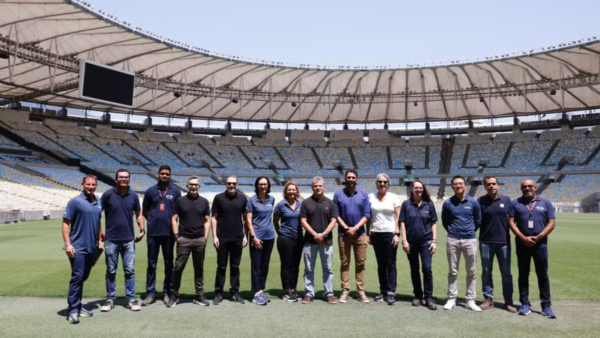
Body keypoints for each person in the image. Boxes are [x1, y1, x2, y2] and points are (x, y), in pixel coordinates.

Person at [508, 179, 556, 318]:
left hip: (540, 244)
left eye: (530, 186)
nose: (527, 188)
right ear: (521, 189)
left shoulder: (546, 203)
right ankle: (525, 304)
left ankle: (546, 306)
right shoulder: (515, 203)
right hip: (522, 244)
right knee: (523, 274)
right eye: (524, 187)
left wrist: (539, 237)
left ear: (535, 187)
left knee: (543, 275)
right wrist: (523, 238)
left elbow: (551, 223)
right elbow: (511, 223)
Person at [100, 169, 145, 312]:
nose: (124, 179)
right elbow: (96, 214)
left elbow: (139, 215)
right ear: (115, 179)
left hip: (128, 240)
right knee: (111, 270)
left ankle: (130, 299)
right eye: (121, 177)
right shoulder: (107, 195)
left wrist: (142, 229)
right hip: (111, 240)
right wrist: (100, 233)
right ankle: (110, 299)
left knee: (129, 270)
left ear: (129, 179)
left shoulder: (134, 196)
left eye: (126, 177)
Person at [62, 175, 103, 324]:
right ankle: (73, 310)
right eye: (88, 184)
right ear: (82, 184)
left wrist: (99, 238)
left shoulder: (98, 202)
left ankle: (78, 305)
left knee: (83, 277)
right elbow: (66, 223)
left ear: (96, 186)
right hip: (77, 247)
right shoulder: (75, 202)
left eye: (93, 185)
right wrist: (68, 244)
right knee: (77, 278)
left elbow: (98, 221)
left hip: (92, 248)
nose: (91, 187)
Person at [166, 176, 211, 307]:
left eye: (195, 185)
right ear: (187, 186)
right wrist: (176, 236)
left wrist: (205, 238)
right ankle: (174, 295)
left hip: (199, 239)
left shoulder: (204, 202)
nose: (193, 187)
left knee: (199, 268)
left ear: (199, 186)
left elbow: (207, 221)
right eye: (191, 184)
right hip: (184, 239)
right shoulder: (180, 201)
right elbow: (174, 219)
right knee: (178, 268)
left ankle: (199, 295)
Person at [142, 165, 181, 306]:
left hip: (169, 234)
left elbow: (177, 212)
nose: (165, 176)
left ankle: (167, 292)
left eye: (167, 174)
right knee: (151, 264)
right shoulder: (150, 191)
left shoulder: (176, 191)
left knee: (169, 264)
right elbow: (145, 210)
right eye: (162, 174)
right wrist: (152, 220)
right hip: (153, 233)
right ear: (158, 174)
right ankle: (151, 293)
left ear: (170, 176)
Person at [441, 175, 482, 311]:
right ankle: (452, 298)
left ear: (465, 185)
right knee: (453, 271)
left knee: (471, 271)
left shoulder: (473, 202)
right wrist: (454, 231)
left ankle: (470, 300)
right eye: (455, 184)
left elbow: (478, 220)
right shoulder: (447, 203)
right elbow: (445, 221)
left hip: (470, 239)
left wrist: (469, 231)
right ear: (452, 186)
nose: (458, 186)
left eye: (460, 184)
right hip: (452, 239)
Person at [477, 176, 516, 313]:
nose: (491, 186)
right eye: (488, 184)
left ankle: (508, 301)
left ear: (498, 185)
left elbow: (512, 220)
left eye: (494, 184)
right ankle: (488, 299)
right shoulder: (480, 201)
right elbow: (476, 220)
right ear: (485, 186)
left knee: (506, 273)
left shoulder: (506, 200)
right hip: (486, 242)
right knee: (486, 272)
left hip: (503, 242)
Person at [399, 179, 438, 310]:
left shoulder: (429, 204)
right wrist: (404, 240)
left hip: (426, 242)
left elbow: (433, 223)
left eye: (420, 187)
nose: (418, 190)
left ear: (423, 189)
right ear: (412, 190)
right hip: (411, 243)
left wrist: (434, 241)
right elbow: (402, 223)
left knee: (427, 269)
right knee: (414, 270)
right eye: (416, 187)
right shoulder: (406, 204)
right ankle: (417, 296)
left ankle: (429, 298)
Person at [333, 170, 371, 303]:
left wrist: (355, 228)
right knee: (345, 263)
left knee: (360, 263)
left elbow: (367, 214)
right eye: (348, 177)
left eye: (353, 177)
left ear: (356, 179)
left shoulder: (363, 194)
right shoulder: (338, 194)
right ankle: (345, 290)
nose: (350, 179)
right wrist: (346, 228)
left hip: (360, 234)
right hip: (344, 234)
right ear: (345, 179)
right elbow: (336, 214)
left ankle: (360, 291)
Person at [300, 176, 339, 305]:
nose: (318, 188)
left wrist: (324, 234)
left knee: (327, 268)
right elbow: (303, 221)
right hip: (309, 242)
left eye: (320, 186)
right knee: (309, 268)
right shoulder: (306, 203)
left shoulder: (330, 203)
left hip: (326, 242)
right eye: (315, 186)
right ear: (312, 187)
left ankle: (329, 293)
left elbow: (334, 220)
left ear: (324, 187)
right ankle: (309, 293)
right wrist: (315, 235)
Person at [212, 175, 248, 305]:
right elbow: (214, 218)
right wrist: (215, 236)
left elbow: (246, 219)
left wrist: (245, 236)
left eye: (233, 183)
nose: (231, 186)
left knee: (235, 267)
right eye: (229, 183)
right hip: (222, 238)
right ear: (225, 184)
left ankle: (235, 292)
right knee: (221, 267)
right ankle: (218, 293)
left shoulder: (243, 199)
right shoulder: (218, 198)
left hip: (237, 238)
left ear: (237, 184)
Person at [367, 173, 401, 305]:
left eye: (385, 182)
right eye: (380, 182)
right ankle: (383, 290)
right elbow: (368, 217)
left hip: (389, 233)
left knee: (390, 263)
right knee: (380, 264)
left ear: (388, 184)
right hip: (376, 233)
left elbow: (399, 216)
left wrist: (396, 234)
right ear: (376, 184)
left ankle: (391, 292)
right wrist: (368, 233)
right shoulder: (371, 197)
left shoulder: (394, 197)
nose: (382, 184)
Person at [246, 176, 276, 306]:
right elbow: (248, 220)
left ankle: (261, 290)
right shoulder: (252, 200)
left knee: (265, 266)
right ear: (257, 185)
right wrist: (254, 237)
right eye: (261, 184)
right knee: (256, 266)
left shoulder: (271, 199)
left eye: (265, 184)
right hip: (257, 238)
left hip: (270, 236)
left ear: (268, 186)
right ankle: (256, 293)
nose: (263, 186)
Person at [274, 180, 303, 302]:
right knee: (286, 265)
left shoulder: (301, 205)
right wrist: (280, 232)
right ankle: (286, 290)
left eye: (293, 189)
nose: (291, 191)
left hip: (299, 238)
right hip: (285, 239)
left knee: (295, 265)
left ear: (297, 191)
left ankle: (293, 288)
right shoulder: (281, 205)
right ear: (286, 191)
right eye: (289, 189)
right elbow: (275, 221)